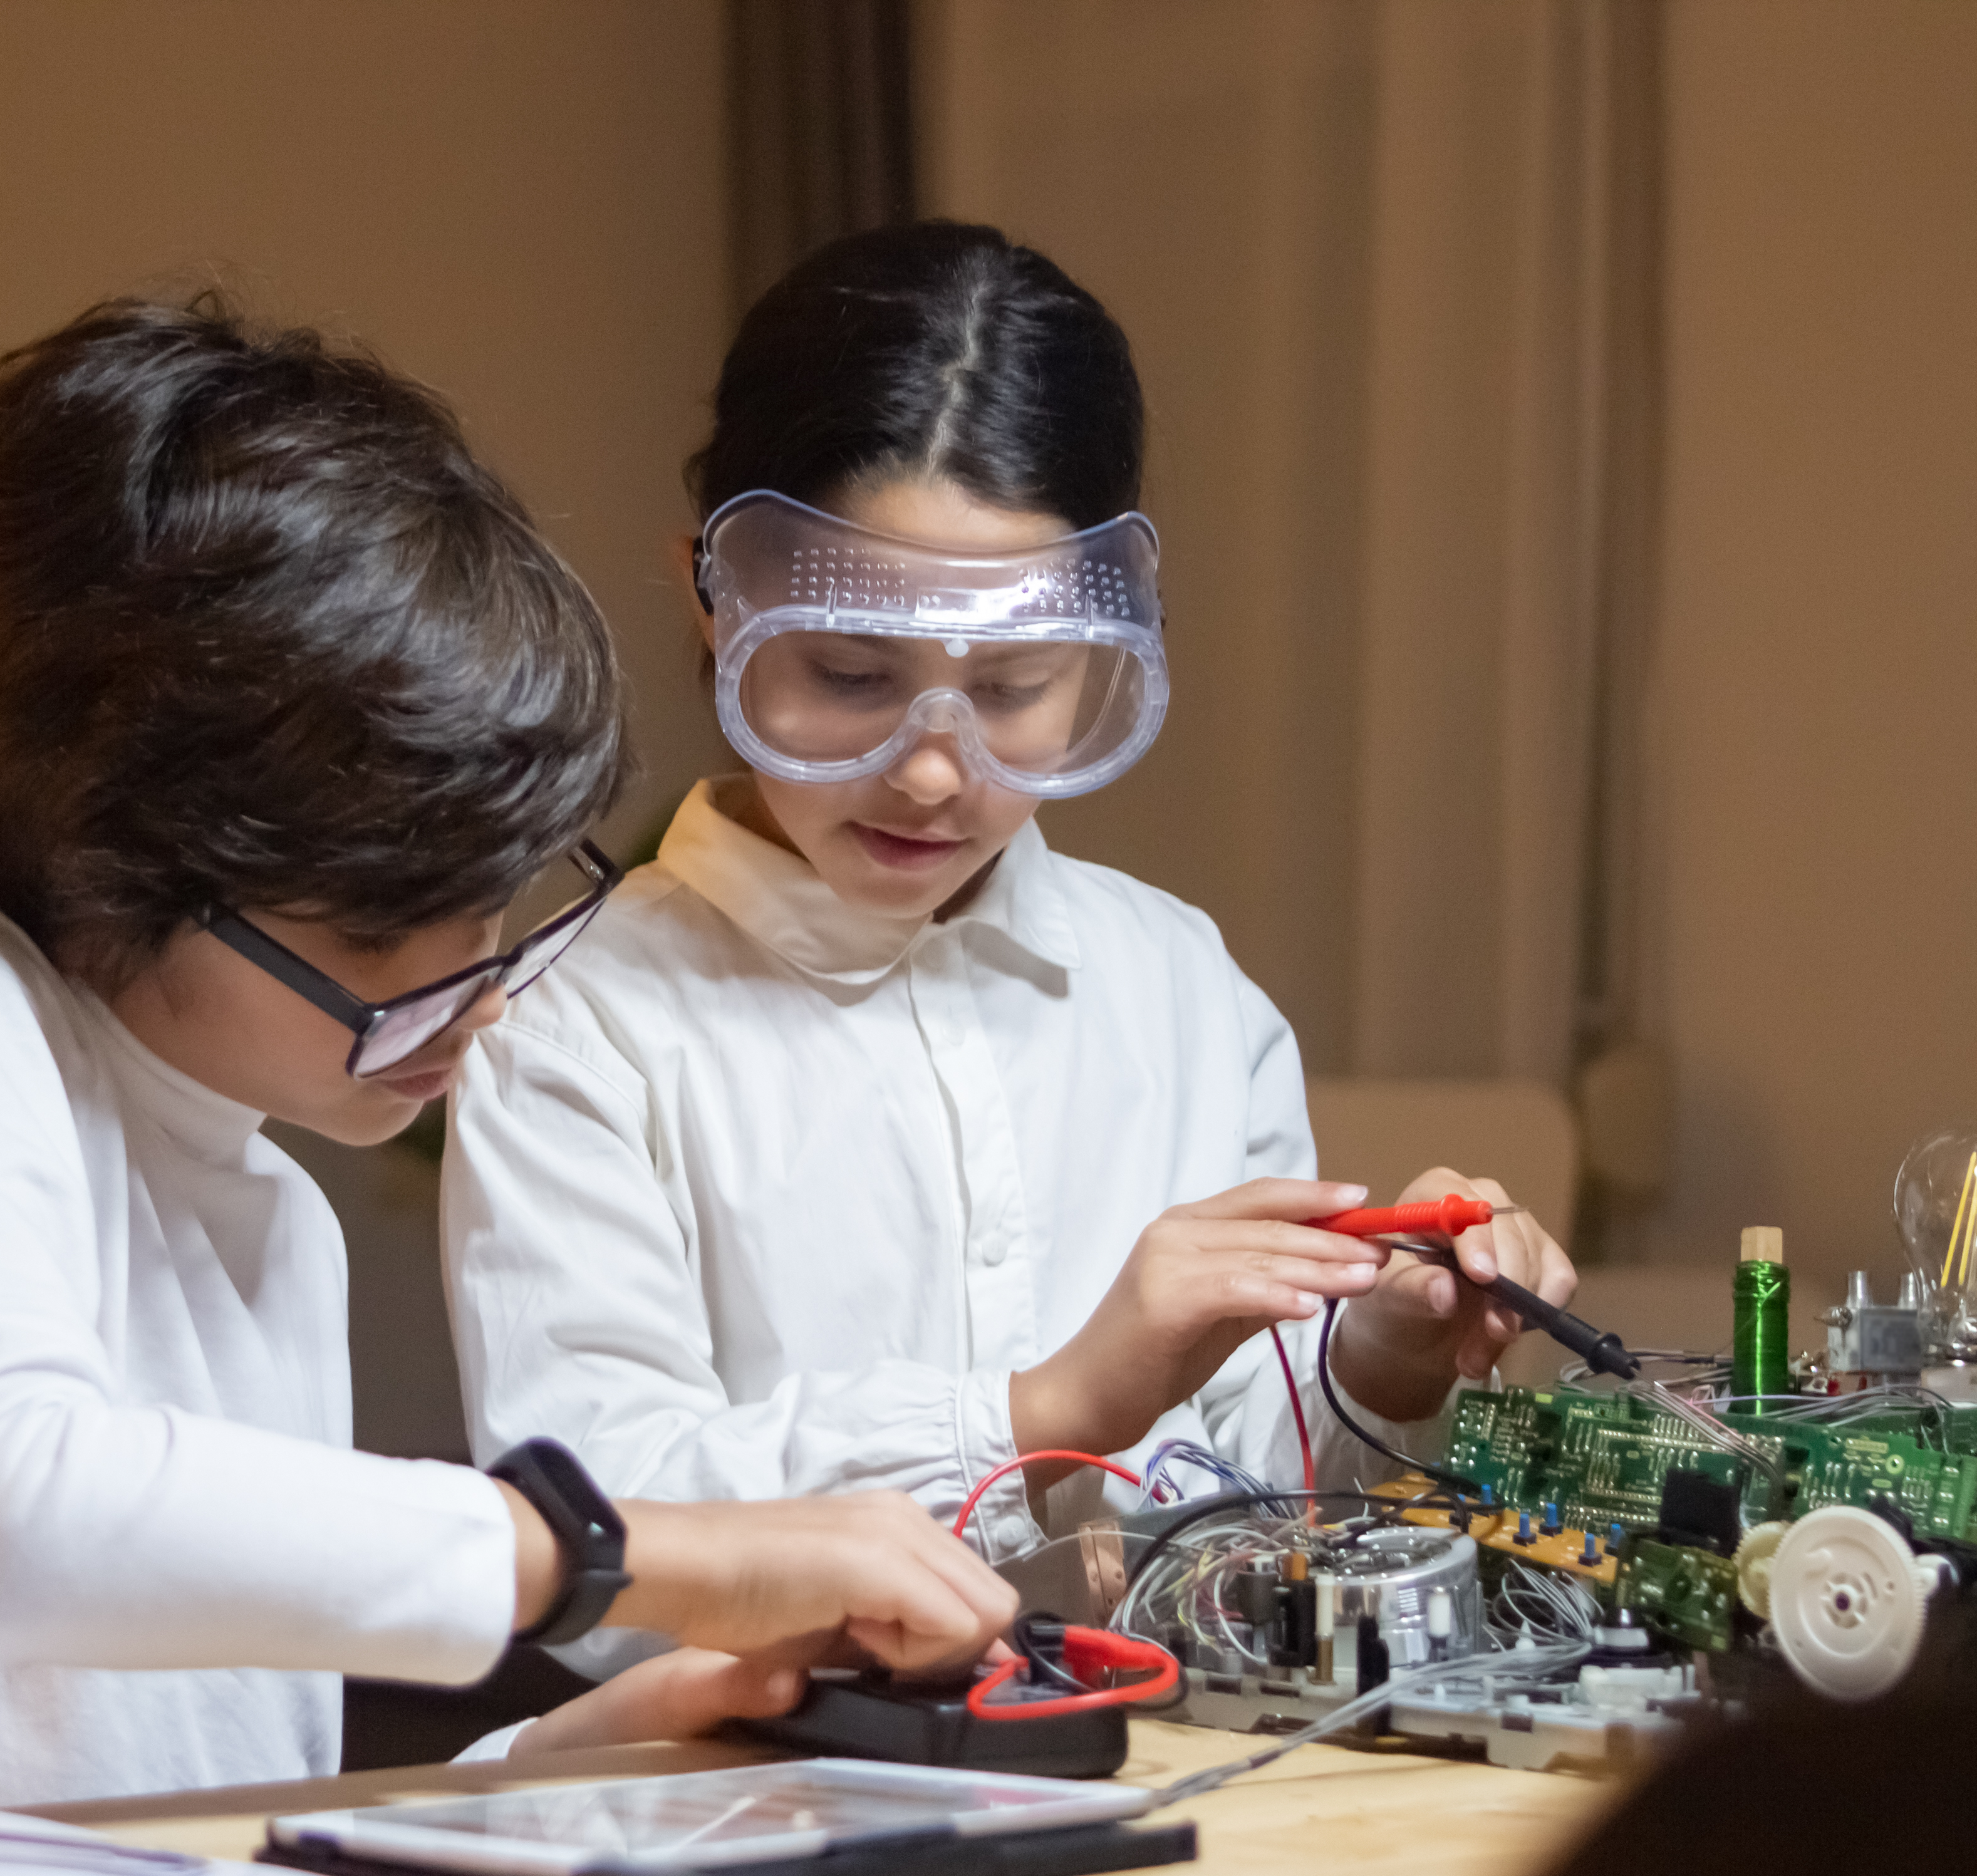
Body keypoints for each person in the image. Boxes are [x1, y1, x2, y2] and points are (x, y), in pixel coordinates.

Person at [0, 296, 1016, 1816]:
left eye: (498, 911)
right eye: (385, 934)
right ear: (121, 863)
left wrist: (617, 1735)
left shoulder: (275, 1226)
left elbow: (217, 1803)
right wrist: (633, 1554)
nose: (479, 998)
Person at [441, 222, 1578, 1595]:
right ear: (713, 602)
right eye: (852, 673)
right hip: (769, 1799)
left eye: (1013, 686)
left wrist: (1381, 1358)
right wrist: (1046, 1414)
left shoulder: (1178, 989)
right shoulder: (573, 1026)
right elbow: (594, 1549)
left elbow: (1248, 1501)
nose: (931, 767)